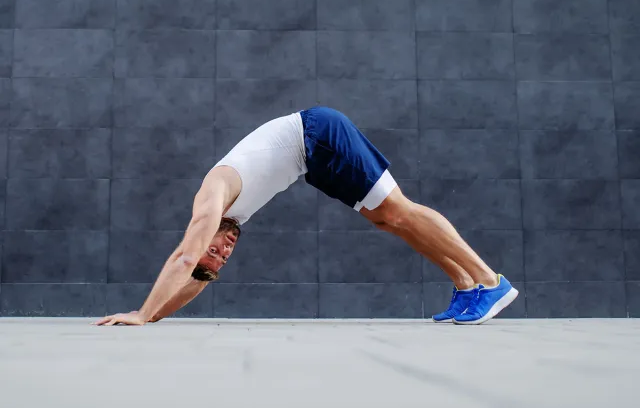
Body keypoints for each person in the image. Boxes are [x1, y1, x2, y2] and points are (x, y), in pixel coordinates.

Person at [95, 107, 518, 327]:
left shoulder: (211, 199)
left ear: (201, 235)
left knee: (398, 210)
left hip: (315, 135)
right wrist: (153, 316)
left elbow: (185, 261)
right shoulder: (227, 220)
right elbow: (193, 276)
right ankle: (465, 287)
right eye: (221, 260)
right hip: (312, 161)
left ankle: (489, 281)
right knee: (386, 220)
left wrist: (138, 311)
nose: (223, 252)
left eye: (215, 250)